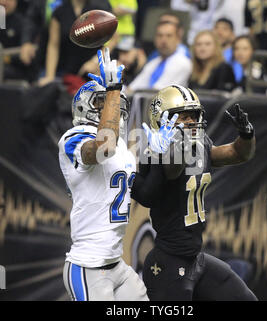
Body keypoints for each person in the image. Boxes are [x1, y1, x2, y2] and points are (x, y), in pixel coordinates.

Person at [59, 48, 181, 301]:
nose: (111, 109)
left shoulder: (123, 150)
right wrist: (114, 88)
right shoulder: (74, 137)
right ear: (85, 107)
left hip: (116, 263)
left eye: (111, 104)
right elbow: (104, 147)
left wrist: (157, 157)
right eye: (101, 103)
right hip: (88, 265)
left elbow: (145, 193)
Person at [132, 85, 258, 300]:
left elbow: (237, 154)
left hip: (195, 258)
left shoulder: (199, 144)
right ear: (161, 120)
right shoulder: (156, 151)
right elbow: (174, 169)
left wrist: (246, 135)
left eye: (193, 115)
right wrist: (171, 147)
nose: (191, 121)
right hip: (168, 261)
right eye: (182, 116)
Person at [39, 0, 112, 87]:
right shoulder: (60, 11)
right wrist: (50, 76)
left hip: (92, 72)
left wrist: (96, 60)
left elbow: (114, 39)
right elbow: (53, 45)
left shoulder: (98, 10)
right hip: (65, 70)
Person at [127, 21, 192, 93]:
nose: (163, 40)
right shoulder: (153, 62)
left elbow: (157, 94)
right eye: (160, 35)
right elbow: (131, 89)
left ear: (178, 39)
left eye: (169, 36)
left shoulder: (182, 62)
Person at [213, 18, 243, 84]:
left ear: (232, 34)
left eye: (225, 29)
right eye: (216, 28)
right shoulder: (206, 52)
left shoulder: (236, 53)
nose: (219, 32)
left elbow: (238, 79)